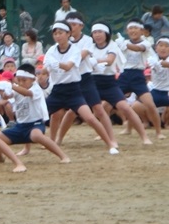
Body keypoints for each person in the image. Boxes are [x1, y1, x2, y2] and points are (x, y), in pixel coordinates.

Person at [43, 21, 118, 153]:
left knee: (90, 118)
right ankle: (48, 143)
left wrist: (55, 63)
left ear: (68, 34)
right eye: (55, 34)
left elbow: (68, 67)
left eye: (61, 33)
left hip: (73, 91)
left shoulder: (75, 50)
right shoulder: (51, 50)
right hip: (57, 91)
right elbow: (46, 68)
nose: (57, 36)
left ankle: (110, 144)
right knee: (38, 114)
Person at [0, 64, 71, 164]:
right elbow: (7, 96)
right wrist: (3, 90)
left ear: (33, 79)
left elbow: (27, 93)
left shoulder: (36, 89)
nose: (21, 83)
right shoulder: (17, 88)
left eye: (24, 80)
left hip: (36, 124)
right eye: (19, 80)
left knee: (36, 135)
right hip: (20, 126)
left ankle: (63, 156)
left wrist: (11, 86)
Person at [89, 21, 153, 144]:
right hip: (93, 82)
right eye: (95, 32)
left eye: (100, 32)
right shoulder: (90, 48)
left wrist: (94, 61)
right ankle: (103, 134)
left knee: (125, 108)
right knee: (91, 110)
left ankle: (144, 137)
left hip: (110, 83)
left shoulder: (112, 45)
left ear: (106, 33)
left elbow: (109, 60)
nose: (97, 35)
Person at [115, 19, 165, 139]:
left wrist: (124, 45)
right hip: (124, 75)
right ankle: (123, 130)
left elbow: (138, 48)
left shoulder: (146, 42)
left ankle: (158, 132)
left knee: (150, 104)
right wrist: (118, 44)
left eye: (135, 28)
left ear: (141, 30)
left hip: (138, 76)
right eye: (130, 28)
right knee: (106, 104)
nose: (133, 30)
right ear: (127, 31)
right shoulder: (123, 42)